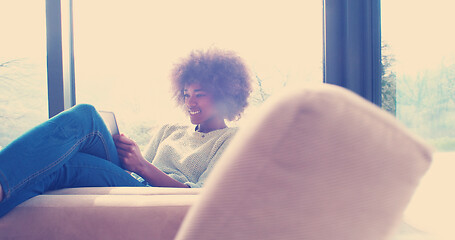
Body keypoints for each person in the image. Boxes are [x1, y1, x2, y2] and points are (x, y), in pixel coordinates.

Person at [0, 48, 252, 217]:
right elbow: (135, 171)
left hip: (148, 190)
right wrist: (128, 154)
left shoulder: (232, 140)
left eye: (199, 94)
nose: (189, 102)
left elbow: (202, 192)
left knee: (86, 116)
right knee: (61, 162)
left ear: (224, 95)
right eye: (186, 94)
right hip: (132, 180)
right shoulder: (169, 130)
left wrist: (143, 166)